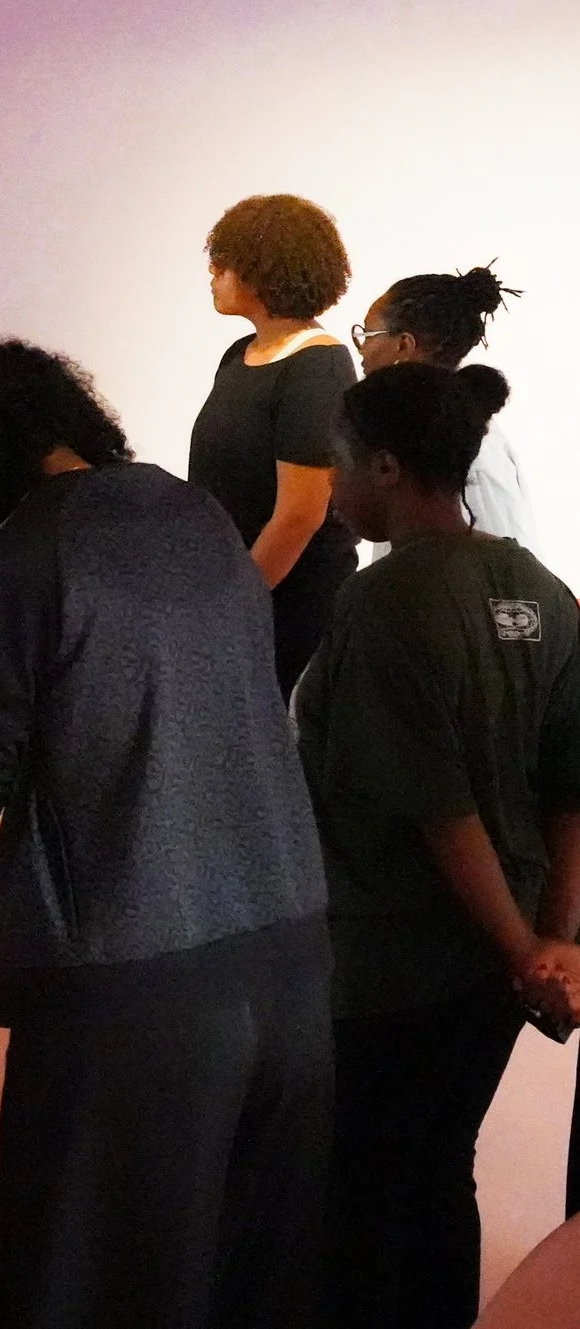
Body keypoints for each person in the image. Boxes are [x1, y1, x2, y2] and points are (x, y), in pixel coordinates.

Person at [0, 341, 331, 1329]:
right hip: (289, 958)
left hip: (136, 985)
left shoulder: (23, 553)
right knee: (252, 1283)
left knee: (100, 1287)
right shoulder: (197, 513)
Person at [295, 362, 580, 1329]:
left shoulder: (385, 605)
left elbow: (439, 810)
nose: (329, 488)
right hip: (495, 967)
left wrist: (525, 955)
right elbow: (571, 792)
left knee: (359, 1181)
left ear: (384, 466)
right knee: (437, 1165)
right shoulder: (542, 590)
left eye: (337, 465)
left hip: (392, 956)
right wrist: (550, 943)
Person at [188, 193, 358, 698]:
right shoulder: (240, 354)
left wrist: (234, 604)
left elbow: (299, 515)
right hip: (238, 592)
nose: (213, 275)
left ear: (264, 269)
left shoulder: (317, 366)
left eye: (223, 263)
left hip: (287, 608)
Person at [353, 265, 535, 545]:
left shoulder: (474, 455)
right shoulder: (417, 437)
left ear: (404, 345)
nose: (361, 349)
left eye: (366, 335)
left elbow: (508, 574)